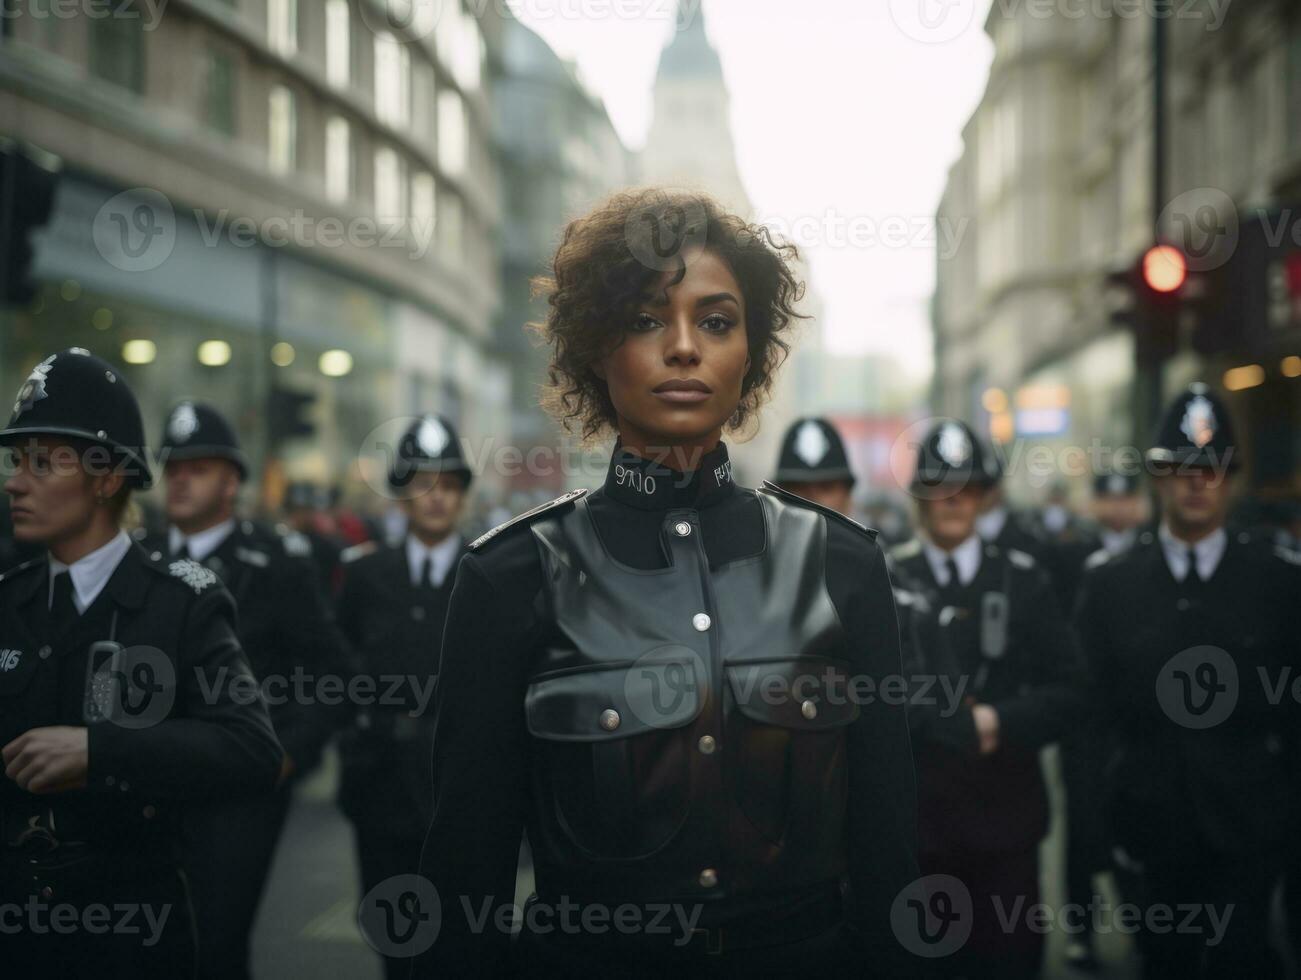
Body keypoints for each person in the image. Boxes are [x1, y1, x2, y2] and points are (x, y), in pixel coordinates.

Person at [412, 189, 921, 979]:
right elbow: (464, 872)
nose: (683, 347)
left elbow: (888, 845)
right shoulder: (510, 573)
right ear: (593, 348)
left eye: (716, 321)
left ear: (750, 352)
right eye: (647, 319)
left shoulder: (843, 563)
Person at [0, 349, 282, 979]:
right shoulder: (8, 599)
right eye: (17, 461)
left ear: (106, 478)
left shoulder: (180, 604)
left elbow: (250, 748)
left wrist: (101, 751)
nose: (16, 481)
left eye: (43, 462)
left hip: (130, 932)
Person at [1075, 384, 1299, 980]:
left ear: (1233, 480)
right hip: (1150, 825)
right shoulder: (1110, 586)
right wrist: (1094, 832)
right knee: (1164, 963)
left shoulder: (1279, 582)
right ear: (1156, 476)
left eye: (1213, 469)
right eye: (1181, 469)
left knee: (1244, 959)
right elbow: (1091, 719)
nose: (1197, 483)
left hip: (1251, 824)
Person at [143, 399, 348, 980]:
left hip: (240, 787)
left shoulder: (275, 561)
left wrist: (289, 754)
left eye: (198, 469)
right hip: (153, 779)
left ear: (231, 480)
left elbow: (332, 670)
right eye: (173, 468)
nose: (180, 481)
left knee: (217, 942)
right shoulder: (142, 561)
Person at [889, 418, 1086, 980]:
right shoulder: (885, 580)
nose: (953, 501)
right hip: (918, 830)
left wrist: (999, 720)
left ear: (984, 496)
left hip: (1005, 828)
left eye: (966, 487)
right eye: (938, 487)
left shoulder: (1023, 581)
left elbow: (1073, 691)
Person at [334, 413, 473, 980]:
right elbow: (341, 669)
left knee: (461, 946)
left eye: (447, 485)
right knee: (396, 940)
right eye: (420, 484)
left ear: (463, 494)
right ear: (399, 495)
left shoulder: (489, 573)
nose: (434, 499)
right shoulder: (367, 577)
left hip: (460, 791)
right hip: (383, 784)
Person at [771, 416, 857, 516]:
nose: (812, 499)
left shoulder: (874, 531)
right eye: (799, 488)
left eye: (826, 487)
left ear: (846, 496)